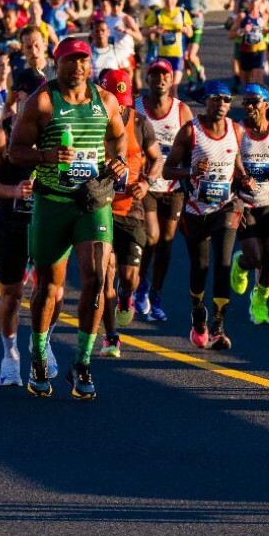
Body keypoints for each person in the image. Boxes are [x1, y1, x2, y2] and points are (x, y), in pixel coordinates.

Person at [7, 37, 127, 400]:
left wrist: (119, 162)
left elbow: (119, 138)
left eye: (83, 60)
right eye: (70, 60)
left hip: (92, 201)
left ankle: (82, 361)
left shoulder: (105, 101)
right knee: (48, 287)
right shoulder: (42, 102)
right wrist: (48, 156)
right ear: (56, 63)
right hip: (52, 202)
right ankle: (39, 356)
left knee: (97, 278)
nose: (77, 67)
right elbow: (15, 152)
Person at [0, 66, 56, 386]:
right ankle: (10, 355)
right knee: (12, 294)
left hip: (47, 221)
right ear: (19, 96)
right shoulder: (0, 135)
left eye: (44, 96)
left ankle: (43, 345)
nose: (40, 103)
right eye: (34, 95)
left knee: (52, 289)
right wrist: (13, 191)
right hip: (11, 221)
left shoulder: (54, 132)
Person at [163, 80, 250, 350]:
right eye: (216, 99)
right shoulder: (190, 131)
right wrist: (191, 172)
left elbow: (237, 166)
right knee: (200, 267)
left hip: (226, 208)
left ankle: (219, 326)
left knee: (223, 263)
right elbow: (167, 170)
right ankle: (198, 310)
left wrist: (245, 180)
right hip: (195, 211)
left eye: (227, 99)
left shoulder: (236, 130)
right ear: (205, 101)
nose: (222, 104)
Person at [98, 67, 163, 356]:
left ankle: (127, 295)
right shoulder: (94, 122)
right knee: (105, 275)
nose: (120, 108)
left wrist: (146, 183)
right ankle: (111, 336)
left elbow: (157, 159)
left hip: (132, 210)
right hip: (101, 208)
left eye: (123, 103)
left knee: (128, 277)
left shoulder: (140, 122)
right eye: (115, 101)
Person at [229, 84, 269, 325]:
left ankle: (259, 302)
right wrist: (240, 179)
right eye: (245, 102)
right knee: (255, 258)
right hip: (244, 202)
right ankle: (241, 262)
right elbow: (226, 163)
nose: (249, 107)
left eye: (254, 102)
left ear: (266, 104)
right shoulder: (236, 132)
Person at [134, 60, 194, 322]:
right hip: (145, 184)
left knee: (166, 242)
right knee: (151, 236)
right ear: (147, 79)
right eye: (155, 75)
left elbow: (193, 146)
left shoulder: (182, 111)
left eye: (165, 75)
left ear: (171, 80)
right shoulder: (136, 108)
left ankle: (156, 294)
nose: (160, 79)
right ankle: (140, 285)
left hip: (172, 186)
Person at [145, 0, 195, 87]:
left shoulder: (182, 13)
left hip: (177, 55)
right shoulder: (158, 13)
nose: (169, 1)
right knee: (164, 87)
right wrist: (154, 30)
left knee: (174, 86)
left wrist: (185, 30)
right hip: (162, 56)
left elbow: (190, 33)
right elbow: (143, 31)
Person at [176, 0, 209, 90]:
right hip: (184, 29)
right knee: (184, 57)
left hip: (196, 27)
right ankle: (190, 80)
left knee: (191, 55)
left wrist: (200, 12)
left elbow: (206, 7)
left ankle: (200, 70)